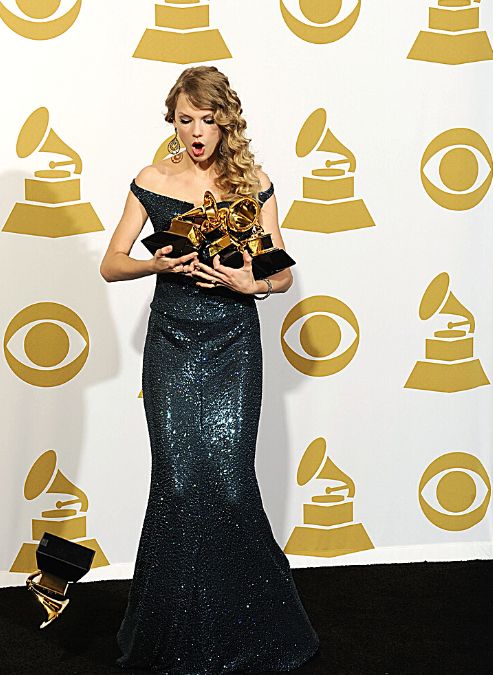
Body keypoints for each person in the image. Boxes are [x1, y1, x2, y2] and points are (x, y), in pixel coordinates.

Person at [99, 66, 318, 672]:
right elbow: (111, 264)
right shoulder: (151, 180)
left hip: (234, 347)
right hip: (172, 345)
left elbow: (281, 273)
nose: (196, 130)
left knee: (226, 482)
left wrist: (255, 282)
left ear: (226, 121)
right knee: (174, 485)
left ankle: (250, 631)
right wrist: (159, 267)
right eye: (184, 119)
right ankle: (170, 638)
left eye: (207, 119)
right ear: (172, 121)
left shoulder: (255, 184)